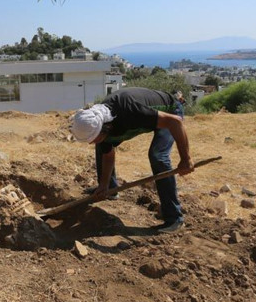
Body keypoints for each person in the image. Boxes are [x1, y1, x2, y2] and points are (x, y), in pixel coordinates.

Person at [70, 88, 194, 233]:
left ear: (105, 127)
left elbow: (175, 122)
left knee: (158, 156)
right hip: (134, 120)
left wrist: (186, 159)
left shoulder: (129, 111)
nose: (90, 143)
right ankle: (109, 189)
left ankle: (174, 218)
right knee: (102, 146)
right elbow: (108, 155)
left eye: (93, 138)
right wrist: (103, 185)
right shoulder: (99, 121)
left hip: (171, 111)